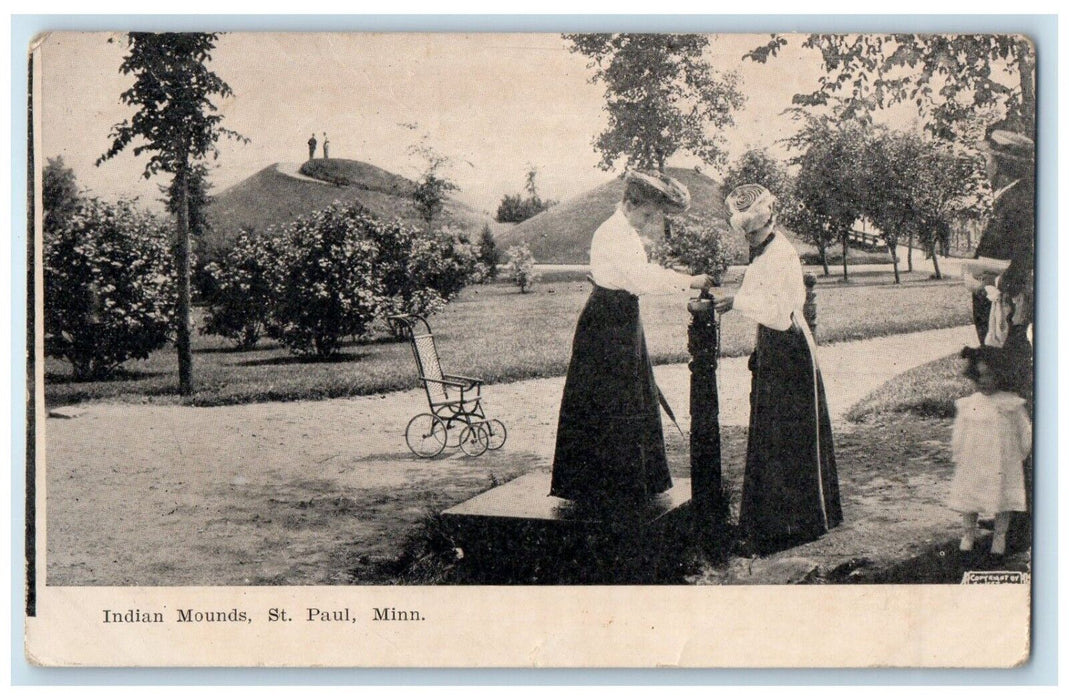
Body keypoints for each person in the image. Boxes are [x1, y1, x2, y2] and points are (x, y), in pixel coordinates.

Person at [550, 170, 712, 510]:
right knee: (613, 399)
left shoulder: (622, 231)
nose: (649, 221)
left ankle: (628, 484)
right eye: (647, 215)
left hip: (619, 318)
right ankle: (608, 489)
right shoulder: (614, 234)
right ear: (630, 203)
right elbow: (641, 279)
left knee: (629, 396)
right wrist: (690, 280)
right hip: (608, 323)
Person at [714, 184, 842, 552]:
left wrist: (736, 302)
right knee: (773, 430)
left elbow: (780, 312)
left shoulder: (780, 254)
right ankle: (775, 520)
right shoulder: (765, 251)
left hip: (788, 346)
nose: (750, 238)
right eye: (746, 233)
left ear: (770, 219)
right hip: (774, 345)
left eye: (754, 231)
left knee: (786, 433)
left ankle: (792, 524)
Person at [948, 346, 1031, 555]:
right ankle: (968, 534)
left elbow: (1025, 431)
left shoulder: (1011, 403)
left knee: (1002, 498)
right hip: (974, 458)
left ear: (1001, 376)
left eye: (990, 375)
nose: (984, 381)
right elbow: (960, 430)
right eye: (980, 376)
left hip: (1002, 461)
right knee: (970, 497)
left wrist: (1021, 453)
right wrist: (958, 452)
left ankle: (999, 537)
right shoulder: (970, 404)